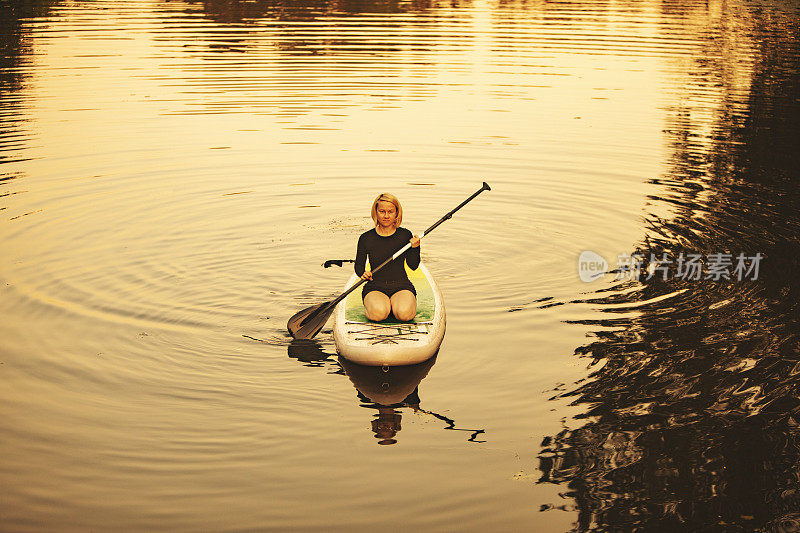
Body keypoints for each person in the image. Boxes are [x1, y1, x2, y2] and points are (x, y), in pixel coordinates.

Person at [355, 193, 421, 322]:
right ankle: (379, 307)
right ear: (376, 212)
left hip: (401, 285)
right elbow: (358, 267)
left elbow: (413, 266)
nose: (386, 216)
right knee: (379, 314)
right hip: (375, 286)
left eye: (390, 211)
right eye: (382, 211)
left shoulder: (405, 234)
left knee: (405, 315)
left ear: (397, 213)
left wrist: (415, 247)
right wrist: (363, 273)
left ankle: (396, 306)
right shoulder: (366, 238)